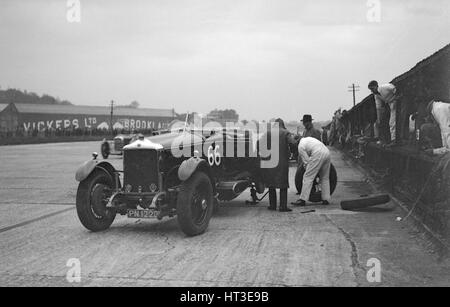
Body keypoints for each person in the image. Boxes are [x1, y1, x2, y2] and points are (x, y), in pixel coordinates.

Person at [259, 118, 294, 212]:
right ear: (282, 124)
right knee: (283, 185)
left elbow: (259, 143)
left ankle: (272, 205)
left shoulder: (268, 133)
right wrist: (293, 153)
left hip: (270, 162)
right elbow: (292, 143)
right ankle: (283, 206)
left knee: (271, 184)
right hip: (282, 162)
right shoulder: (286, 132)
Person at [292, 137, 331, 206]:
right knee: (325, 177)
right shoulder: (307, 139)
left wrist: (312, 172)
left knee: (307, 177)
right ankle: (326, 199)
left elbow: (306, 162)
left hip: (318, 153)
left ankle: (302, 200)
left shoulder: (300, 146)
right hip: (327, 152)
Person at [368, 80, 397, 145]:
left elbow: (394, 88)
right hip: (390, 104)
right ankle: (390, 140)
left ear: (376, 86)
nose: (371, 91)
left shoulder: (384, 87)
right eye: (370, 89)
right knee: (389, 122)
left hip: (397, 101)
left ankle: (394, 140)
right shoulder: (376, 96)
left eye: (372, 88)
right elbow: (378, 108)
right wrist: (379, 119)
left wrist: (396, 97)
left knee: (393, 122)